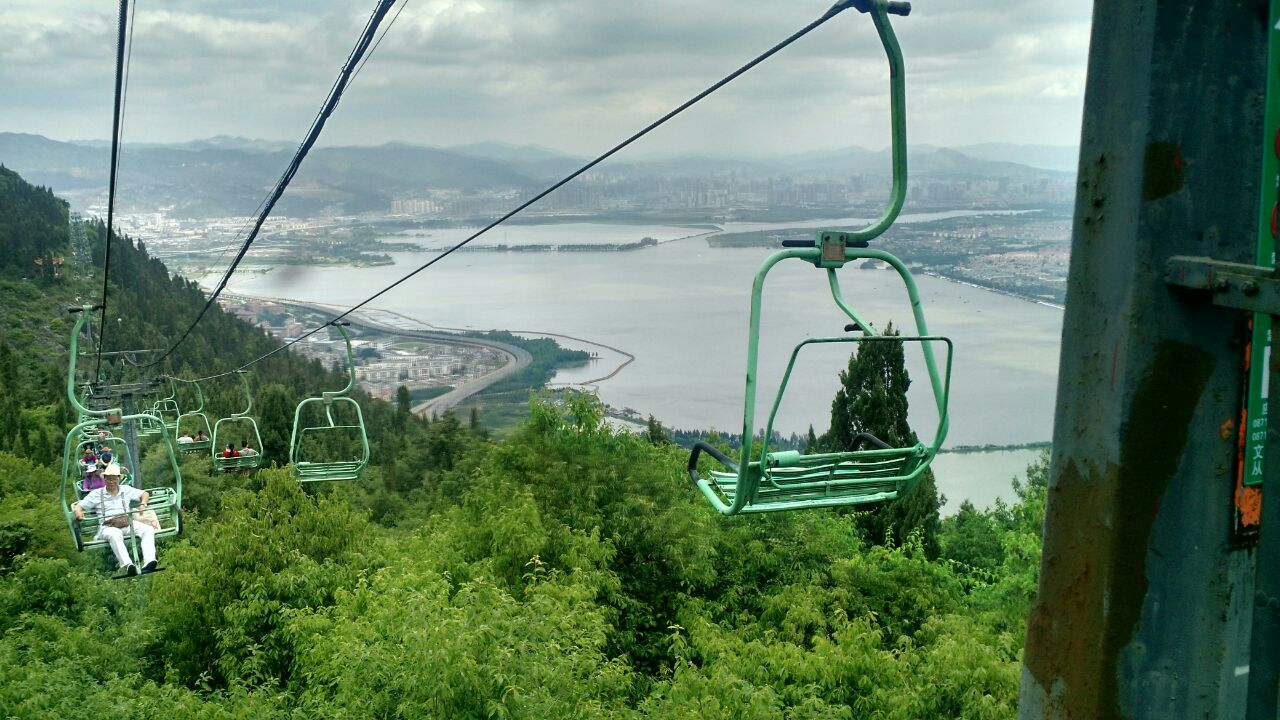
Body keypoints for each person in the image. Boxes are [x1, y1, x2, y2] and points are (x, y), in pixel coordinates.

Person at [72, 463, 158, 576]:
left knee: (147, 530)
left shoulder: (126, 490)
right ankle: (128, 565)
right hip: (108, 526)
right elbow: (79, 506)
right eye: (108, 479)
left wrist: (143, 504)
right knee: (114, 535)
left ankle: (149, 561)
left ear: (119, 478)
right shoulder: (97, 494)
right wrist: (78, 513)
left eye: (114, 479)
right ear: (105, 479)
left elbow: (144, 493)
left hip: (126, 523)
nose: (111, 481)